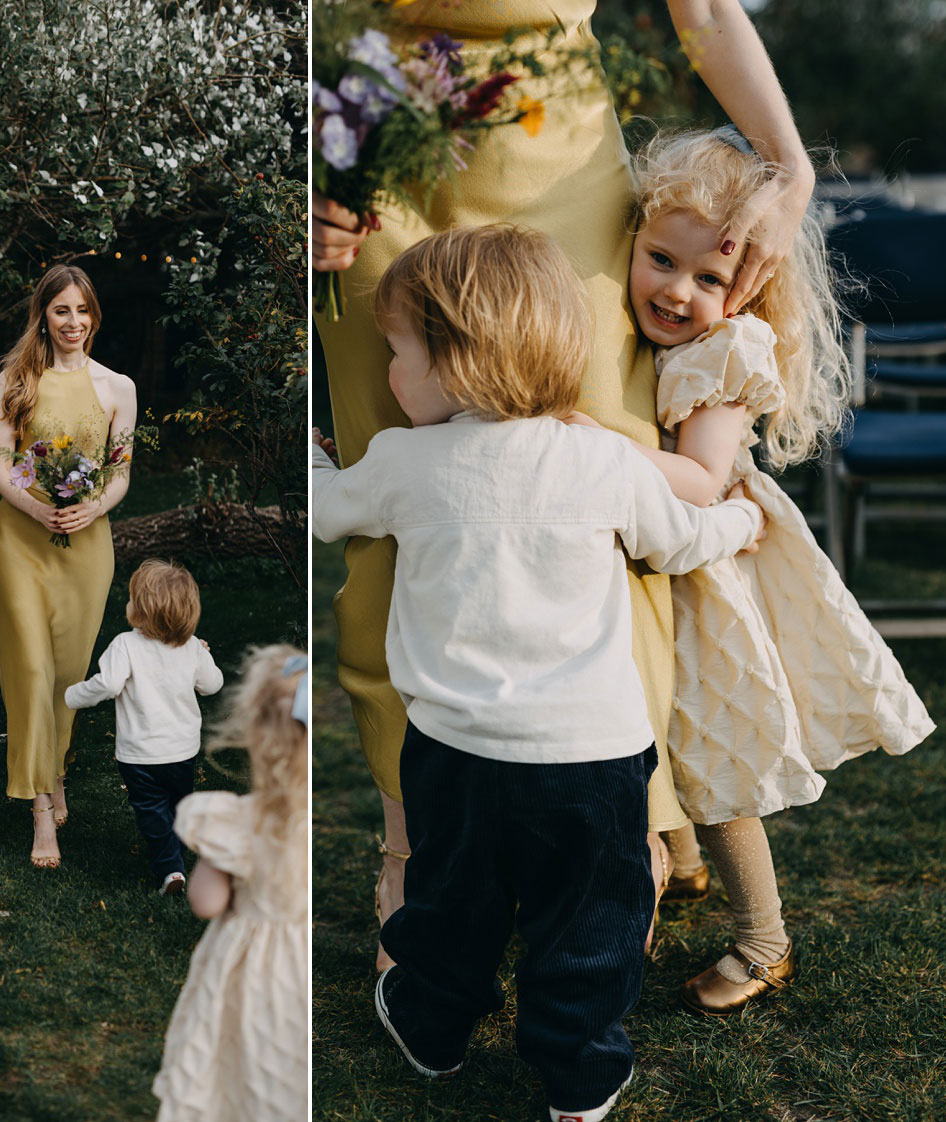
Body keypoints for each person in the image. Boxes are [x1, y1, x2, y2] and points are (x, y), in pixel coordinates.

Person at [313, 0, 818, 971]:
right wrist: (303, 170)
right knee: (394, 505)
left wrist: (788, 165)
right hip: (370, 144)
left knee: (605, 473)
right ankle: (413, 849)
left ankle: (629, 822)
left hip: (559, 147)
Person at [312, 226, 765, 1122]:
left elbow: (328, 511)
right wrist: (742, 525)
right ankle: (579, 1074)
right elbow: (677, 539)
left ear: (456, 359)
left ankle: (433, 1026)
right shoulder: (596, 457)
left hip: (454, 757)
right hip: (593, 757)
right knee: (589, 923)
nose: (389, 377)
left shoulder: (403, 462)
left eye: (399, 353)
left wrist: (320, 456)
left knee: (452, 906)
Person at [564, 127, 934, 1013]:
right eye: (661, 260)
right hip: (666, 556)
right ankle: (681, 864)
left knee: (709, 747)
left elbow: (696, 478)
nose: (678, 292)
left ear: (750, 284)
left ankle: (764, 941)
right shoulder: (642, 332)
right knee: (652, 717)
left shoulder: (722, 356)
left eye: (710, 279)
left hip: (710, 570)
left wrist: (584, 444)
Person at [0, 265, 137, 868]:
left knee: (66, 676)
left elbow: (121, 471)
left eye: (82, 312)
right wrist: (39, 507)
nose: (72, 323)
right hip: (20, 541)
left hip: (87, 546)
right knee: (28, 667)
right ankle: (41, 812)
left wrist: (89, 508)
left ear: (94, 316)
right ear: (43, 317)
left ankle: (54, 771)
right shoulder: (16, 380)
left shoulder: (118, 387)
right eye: (60, 312)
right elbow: (1, 467)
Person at [151, 644, 309, 1122]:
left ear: (256, 737)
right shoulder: (313, 826)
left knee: (239, 1069)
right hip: (300, 971)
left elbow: (206, 901)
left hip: (253, 974)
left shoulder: (240, 822)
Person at [64, 559, 224, 892]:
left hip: (140, 756)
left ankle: (171, 869)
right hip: (181, 751)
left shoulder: (125, 645)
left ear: (142, 611)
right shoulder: (192, 646)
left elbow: (107, 685)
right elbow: (213, 685)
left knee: (152, 811)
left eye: (132, 598)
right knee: (178, 803)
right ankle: (176, 854)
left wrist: (72, 696)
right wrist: (203, 654)